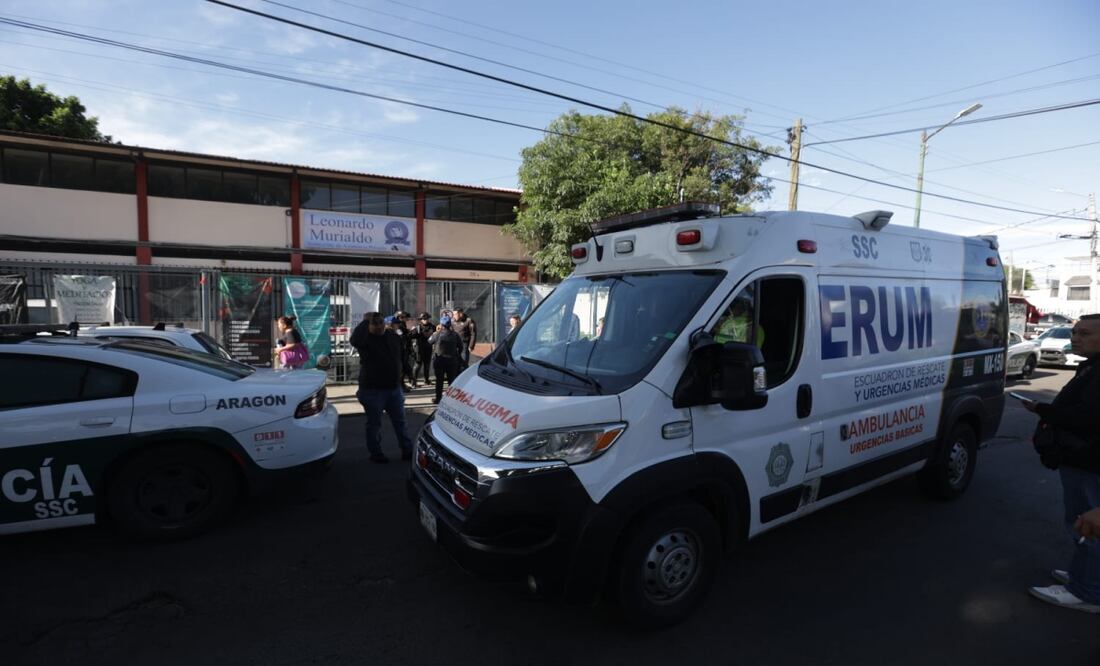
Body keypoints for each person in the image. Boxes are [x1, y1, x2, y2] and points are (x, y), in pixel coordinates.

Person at [1022, 313, 1100, 613]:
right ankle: (1085, 577)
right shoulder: (1091, 367)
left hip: (1088, 462)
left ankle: (1086, 591)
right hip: (1082, 460)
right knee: (1084, 523)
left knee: (1086, 526)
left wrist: (1044, 410)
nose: (1075, 338)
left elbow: (1086, 418)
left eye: (1085, 334)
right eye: (1075, 332)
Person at [350, 311, 413, 464]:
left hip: (393, 389)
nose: (378, 326)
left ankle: (407, 450)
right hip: (372, 390)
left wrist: (408, 370)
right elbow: (355, 340)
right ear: (369, 326)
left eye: (380, 323)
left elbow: (401, 355)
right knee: (374, 424)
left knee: (400, 422)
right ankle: (376, 453)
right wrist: (365, 321)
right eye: (374, 324)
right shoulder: (365, 340)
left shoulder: (392, 336)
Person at [429, 315, 463, 404]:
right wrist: (456, 355)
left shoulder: (437, 334)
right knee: (451, 381)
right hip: (452, 361)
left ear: (441, 324)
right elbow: (461, 347)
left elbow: (429, 342)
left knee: (439, 381)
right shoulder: (455, 335)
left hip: (439, 361)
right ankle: (452, 400)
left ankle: (438, 398)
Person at [410, 312, 435, 387]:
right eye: (424, 319)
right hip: (419, 349)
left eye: (426, 318)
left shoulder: (432, 326)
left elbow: (436, 335)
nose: (425, 320)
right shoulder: (417, 327)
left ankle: (426, 380)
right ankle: (413, 382)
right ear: (421, 320)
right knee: (417, 365)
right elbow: (411, 336)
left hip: (428, 348)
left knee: (427, 365)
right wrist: (414, 332)